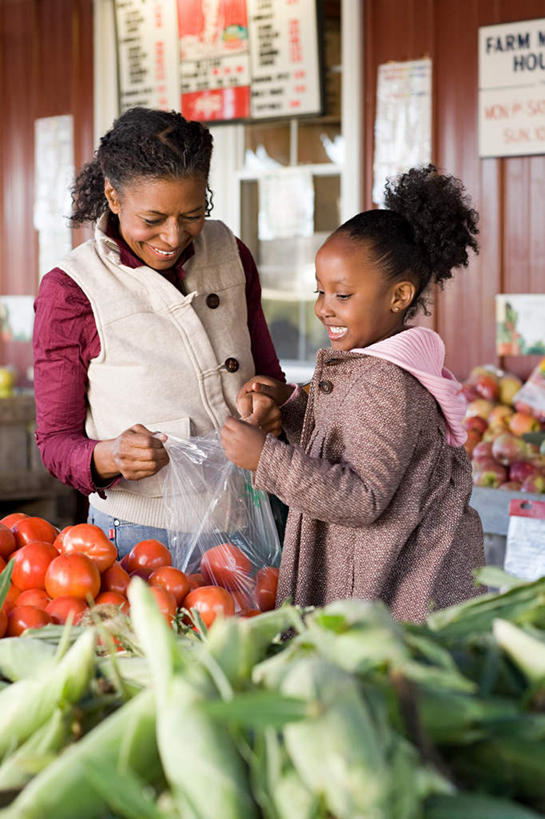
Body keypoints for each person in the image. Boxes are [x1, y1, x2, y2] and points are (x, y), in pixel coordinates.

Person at [221, 164, 485, 623]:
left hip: (394, 599)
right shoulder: (381, 366)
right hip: (381, 579)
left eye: (342, 295)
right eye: (320, 291)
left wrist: (265, 458)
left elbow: (361, 496)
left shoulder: (388, 381)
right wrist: (290, 404)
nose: (324, 307)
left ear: (399, 296)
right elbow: (353, 439)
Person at [33, 106, 284, 557]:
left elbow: (268, 375)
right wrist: (108, 456)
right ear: (113, 196)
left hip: (251, 514)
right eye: (152, 220)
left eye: (192, 214)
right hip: (141, 537)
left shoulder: (231, 253)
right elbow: (54, 442)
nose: (173, 236)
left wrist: (269, 402)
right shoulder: (70, 290)